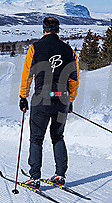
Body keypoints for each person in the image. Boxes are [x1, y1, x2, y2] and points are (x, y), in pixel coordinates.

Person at [18, 16, 79, 188]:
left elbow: (27, 74)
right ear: (58, 30)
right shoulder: (69, 50)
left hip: (41, 99)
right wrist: (70, 100)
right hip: (62, 99)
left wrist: (23, 96)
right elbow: (74, 79)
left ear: (43, 30)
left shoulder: (35, 48)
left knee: (36, 138)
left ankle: (34, 177)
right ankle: (60, 175)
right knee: (58, 136)